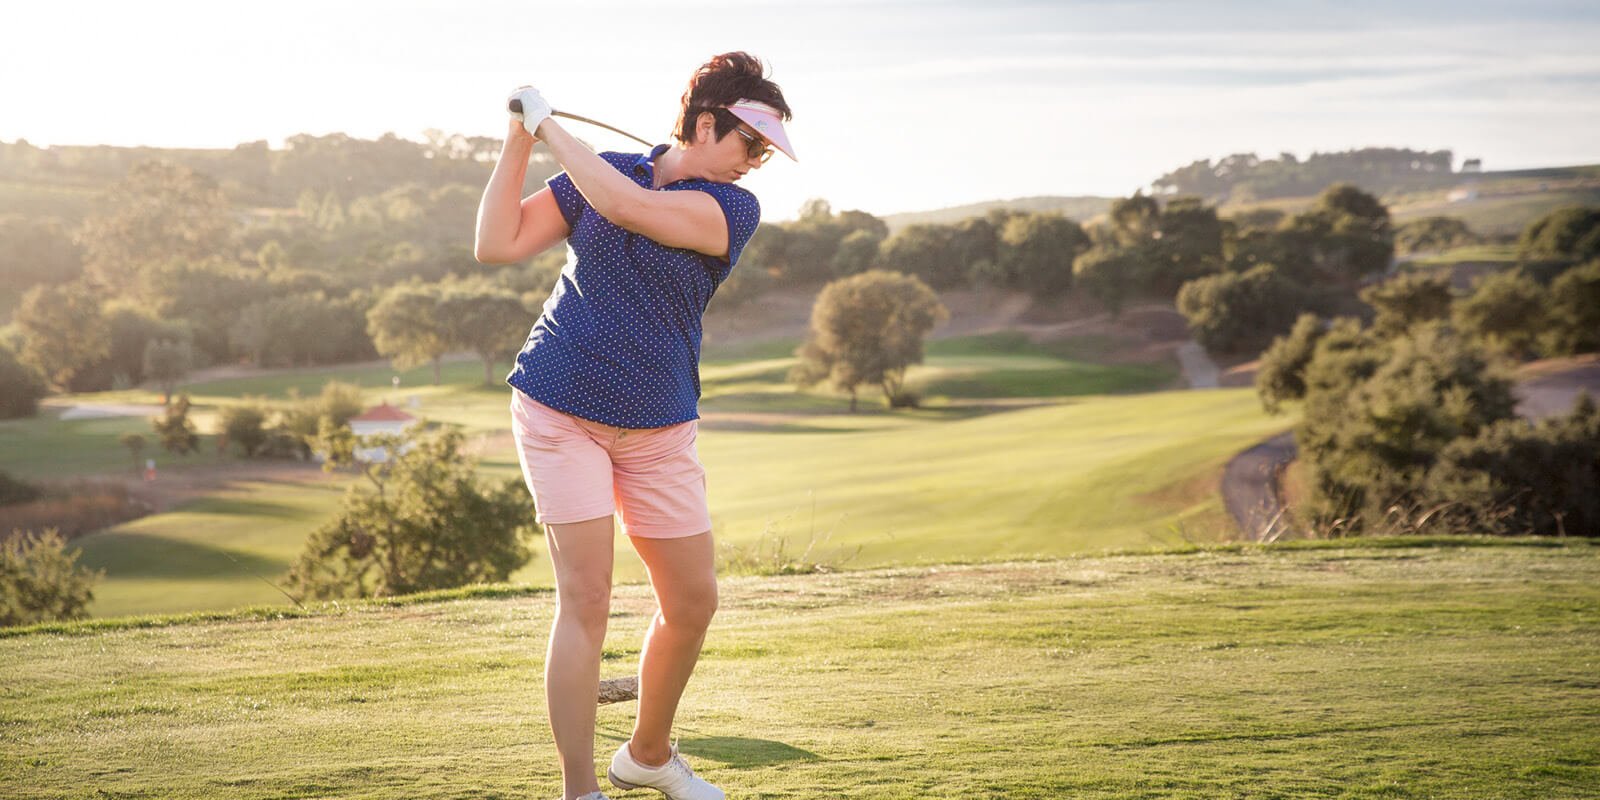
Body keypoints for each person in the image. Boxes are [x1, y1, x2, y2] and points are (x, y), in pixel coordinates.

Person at [473, 52, 795, 800]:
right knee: (585, 599)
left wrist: (550, 124)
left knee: (692, 602)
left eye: (765, 153)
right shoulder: (601, 171)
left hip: (657, 427)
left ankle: (647, 756)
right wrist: (519, 136)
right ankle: (579, 790)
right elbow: (496, 244)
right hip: (560, 409)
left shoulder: (730, 209)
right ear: (707, 123)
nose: (756, 163)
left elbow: (627, 206)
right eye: (751, 144)